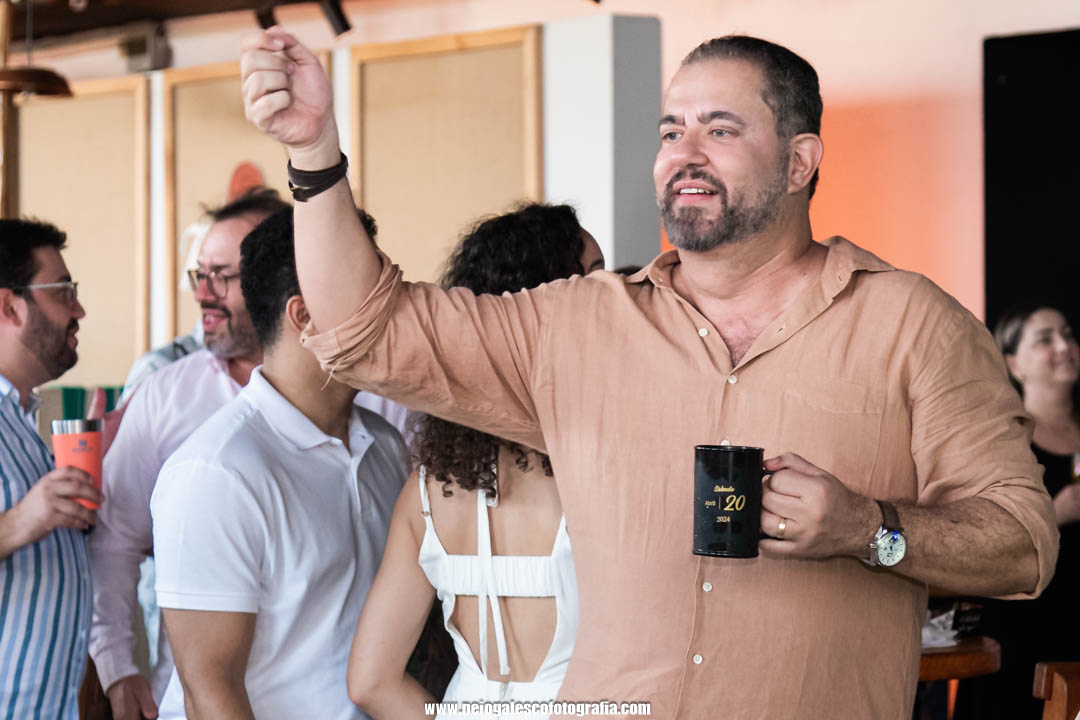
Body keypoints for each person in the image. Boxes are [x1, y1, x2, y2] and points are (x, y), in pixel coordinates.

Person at [241, 29, 1059, 718]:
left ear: (800, 160)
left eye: (720, 130)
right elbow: (367, 329)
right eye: (671, 132)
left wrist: (868, 530)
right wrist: (313, 152)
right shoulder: (577, 325)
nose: (684, 155)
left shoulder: (915, 326)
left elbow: (1022, 545)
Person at [150, 206, 408, 719]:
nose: (391, 311)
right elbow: (210, 695)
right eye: (371, 293)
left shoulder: (384, 445)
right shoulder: (216, 473)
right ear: (304, 315)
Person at [347, 203, 603, 718]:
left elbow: (370, 681)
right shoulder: (600, 468)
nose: (614, 295)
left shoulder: (428, 487)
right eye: (593, 278)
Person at [88, 187, 290, 719]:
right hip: (188, 702)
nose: (202, 293)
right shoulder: (164, 394)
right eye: (199, 274)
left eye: (221, 275)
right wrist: (116, 665)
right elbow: (115, 540)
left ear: (280, 277)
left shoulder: (371, 402)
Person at [955, 302, 1080, 720]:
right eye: (1045, 339)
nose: (1064, 346)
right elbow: (974, 532)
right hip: (1023, 628)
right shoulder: (1002, 439)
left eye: (1067, 334)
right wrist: (1055, 514)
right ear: (1014, 364)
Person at [0, 218, 104, 717]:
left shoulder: (24, 422)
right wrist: (20, 522)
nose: (78, 310)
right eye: (63, 292)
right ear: (9, 306)